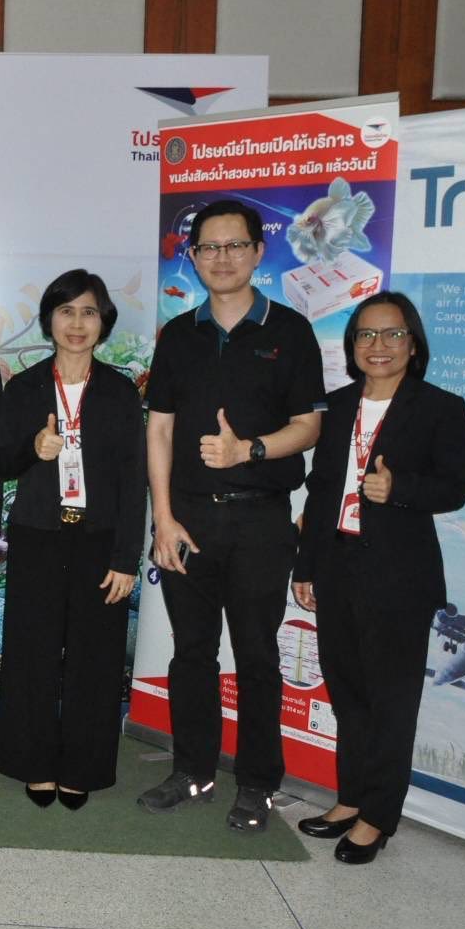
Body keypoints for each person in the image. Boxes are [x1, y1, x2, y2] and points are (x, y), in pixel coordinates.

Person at [139, 199, 324, 832]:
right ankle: (192, 770)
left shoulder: (290, 331)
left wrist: (249, 450)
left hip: (261, 521)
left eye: (234, 245)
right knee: (192, 652)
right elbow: (159, 430)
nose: (222, 258)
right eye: (209, 248)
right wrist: (163, 518)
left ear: (257, 251)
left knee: (257, 657)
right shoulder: (178, 335)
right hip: (188, 519)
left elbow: (309, 426)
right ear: (193, 258)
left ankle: (257, 784)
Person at [291, 292, 465, 863]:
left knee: (391, 702)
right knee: (348, 693)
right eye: (367, 335)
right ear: (352, 346)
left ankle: (378, 816)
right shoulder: (338, 405)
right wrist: (306, 565)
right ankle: (350, 799)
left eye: (393, 334)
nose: (379, 345)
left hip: (399, 576)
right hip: (337, 564)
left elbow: (456, 487)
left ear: (413, 344)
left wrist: (400, 490)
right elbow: (321, 490)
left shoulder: (440, 407)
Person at [0, 269, 145, 810]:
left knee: (95, 659)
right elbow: (0, 461)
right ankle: (33, 764)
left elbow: (134, 481)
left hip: (100, 540)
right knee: (31, 654)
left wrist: (126, 558)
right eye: (66, 311)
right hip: (38, 535)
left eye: (88, 312)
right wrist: (32, 449)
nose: (77, 323)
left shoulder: (121, 391)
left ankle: (83, 767)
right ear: (49, 320)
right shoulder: (25, 387)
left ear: (103, 321)